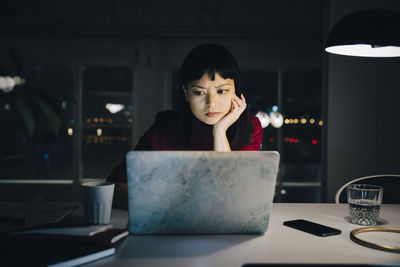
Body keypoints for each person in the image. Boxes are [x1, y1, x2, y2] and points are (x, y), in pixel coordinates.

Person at [107, 43, 263, 209]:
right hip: (170, 225)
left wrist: (219, 131)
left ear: (235, 91)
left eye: (221, 91)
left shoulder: (250, 127)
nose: (211, 103)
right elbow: (115, 186)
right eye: (199, 92)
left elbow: (231, 198)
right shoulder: (164, 129)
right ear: (186, 93)